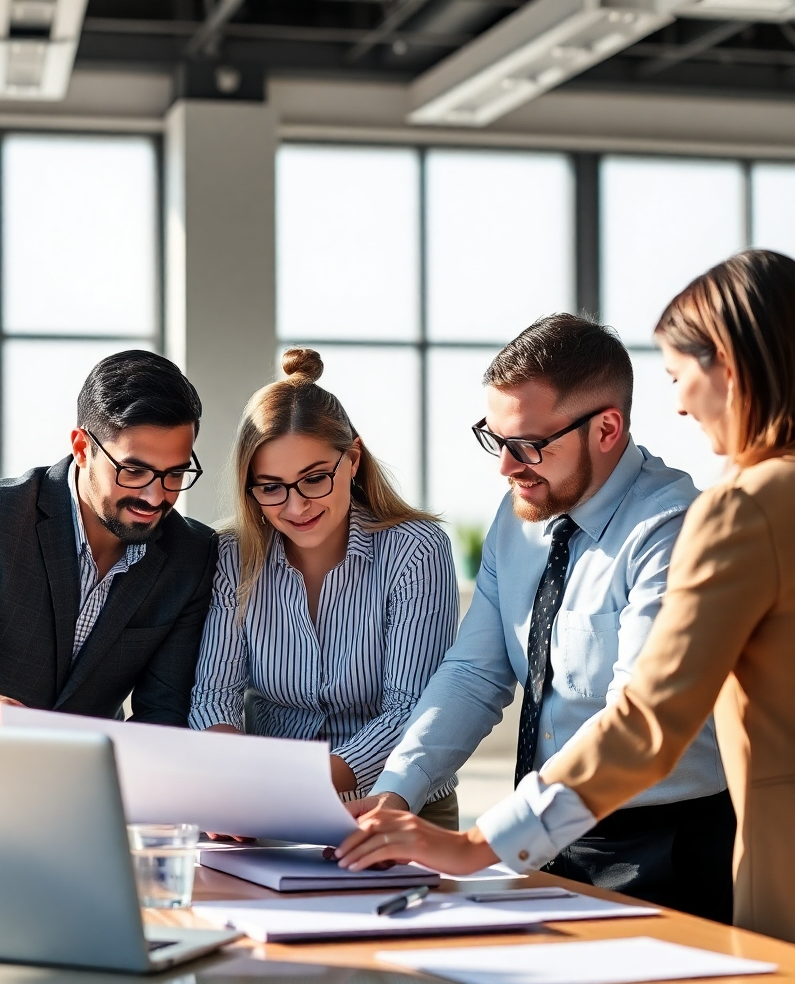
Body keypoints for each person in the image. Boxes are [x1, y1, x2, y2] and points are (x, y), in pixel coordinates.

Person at [338, 251, 795, 941]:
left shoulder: (708, 516)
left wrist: (472, 847)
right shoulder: (517, 520)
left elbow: (643, 720)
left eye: (526, 443)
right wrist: (395, 790)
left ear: (607, 429)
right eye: (494, 438)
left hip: (667, 849)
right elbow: (473, 671)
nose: (504, 464)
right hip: (548, 837)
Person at [0, 350, 218, 727]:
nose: (155, 496)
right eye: (133, 471)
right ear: (82, 448)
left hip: (75, 778)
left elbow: (162, 713)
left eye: (174, 474)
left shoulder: (191, 557)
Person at [188, 348, 459, 824]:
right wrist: (229, 786)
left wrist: (292, 787)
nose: (295, 507)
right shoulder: (233, 553)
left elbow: (411, 710)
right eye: (270, 486)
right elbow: (215, 694)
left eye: (314, 479)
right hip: (266, 809)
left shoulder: (416, 550)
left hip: (396, 808)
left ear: (352, 459)